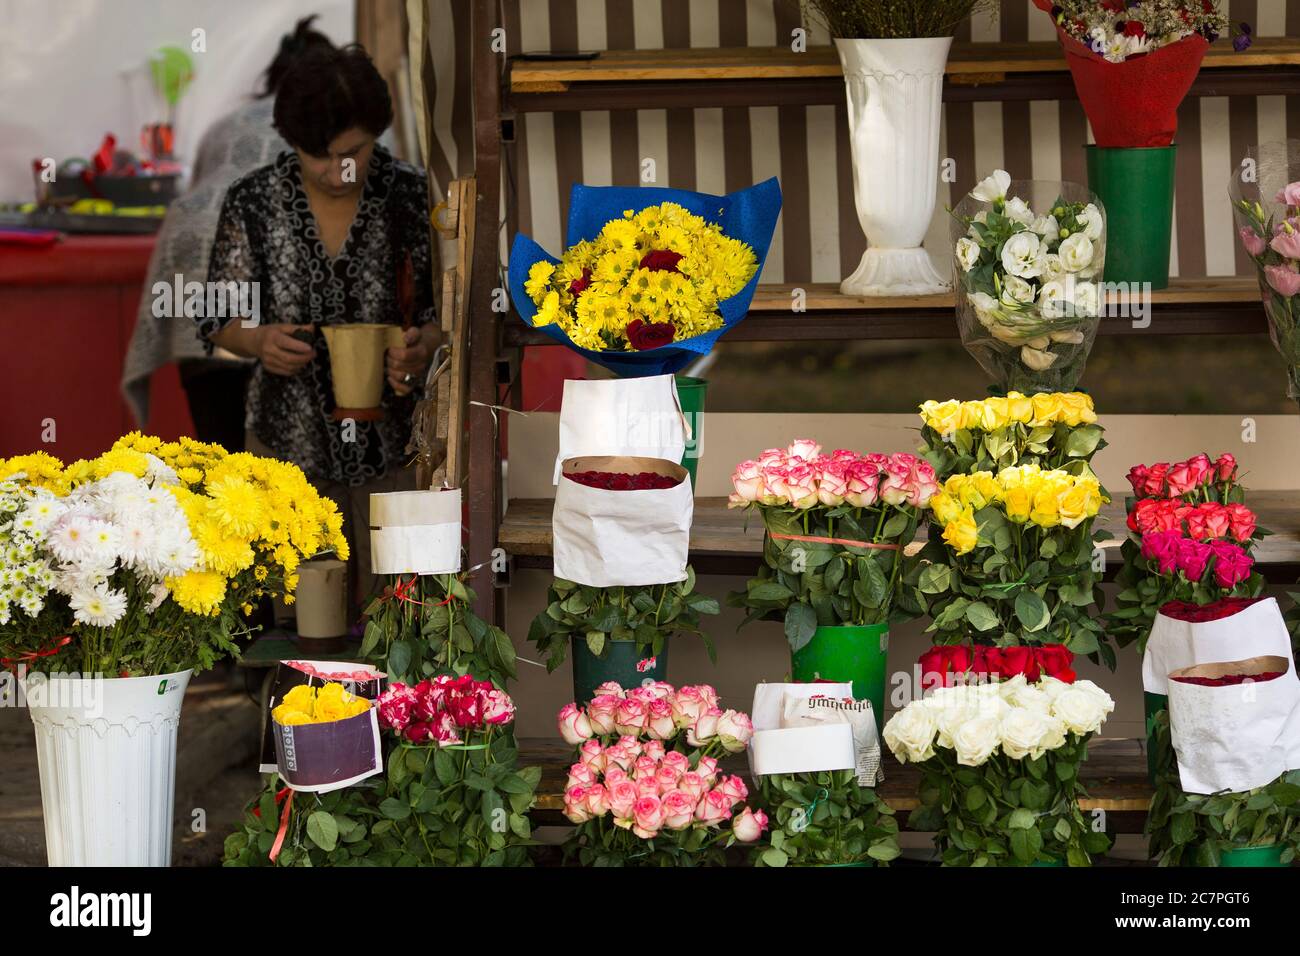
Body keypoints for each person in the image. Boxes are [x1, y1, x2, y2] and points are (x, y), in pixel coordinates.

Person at [199, 42, 439, 614]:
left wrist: (423, 348)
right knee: (301, 618)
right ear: (293, 143)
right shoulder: (254, 200)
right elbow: (216, 317)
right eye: (318, 156)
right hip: (288, 442)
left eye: (352, 152)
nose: (338, 171)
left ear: (377, 131)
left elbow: (447, 317)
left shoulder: (412, 195)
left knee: (401, 611)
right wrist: (258, 340)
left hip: (397, 443)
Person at [121, 16, 336, 447]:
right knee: (284, 460)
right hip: (267, 276)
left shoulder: (228, 124)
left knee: (220, 445)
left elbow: (201, 189)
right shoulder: (341, 125)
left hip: (197, 272)